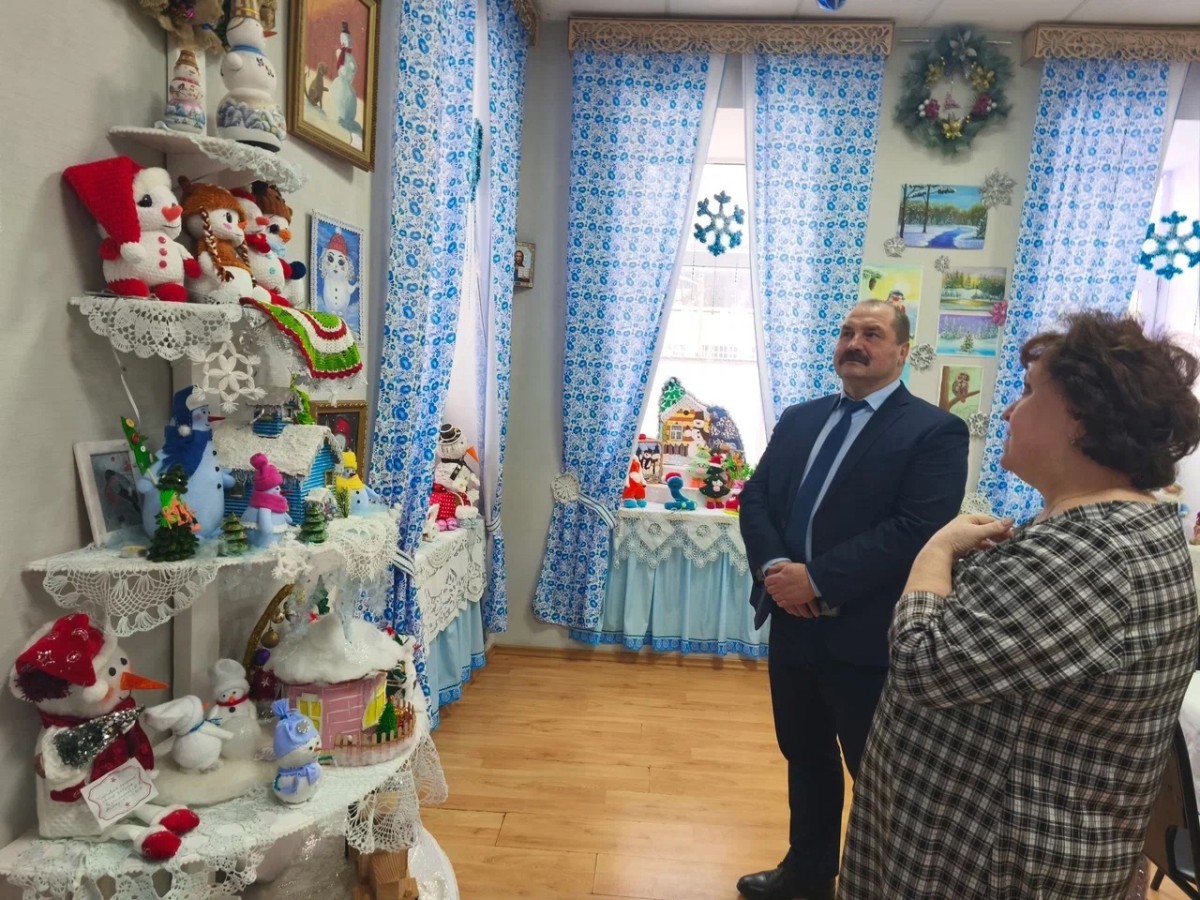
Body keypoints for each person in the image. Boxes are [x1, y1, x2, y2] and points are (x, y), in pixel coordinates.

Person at [839, 311, 1200, 899]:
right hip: (977, 847)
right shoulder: (1098, 532)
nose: (1009, 411)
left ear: (1082, 417)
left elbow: (919, 662)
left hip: (992, 866)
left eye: (1029, 392)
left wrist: (936, 550)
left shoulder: (1093, 554)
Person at [737, 299, 969, 900]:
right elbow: (756, 498)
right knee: (804, 753)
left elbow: (916, 528)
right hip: (793, 625)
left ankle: (888, 884)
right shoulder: (800, 418)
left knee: (878, 770)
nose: (855, 343)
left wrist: (816, 579)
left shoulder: (934, 431)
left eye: (872, 334)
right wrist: (777, 572)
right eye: (847, 332)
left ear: (902, 351)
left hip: (867, 635)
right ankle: (807, 872)